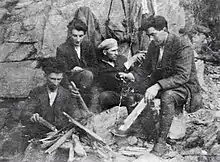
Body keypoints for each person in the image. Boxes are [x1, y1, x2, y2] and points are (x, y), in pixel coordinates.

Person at [119, 15, 201, 157]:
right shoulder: (154, 45)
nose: (151, 39)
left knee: (167, 96)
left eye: (153, 35)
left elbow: (182, 76)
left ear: (164, 30)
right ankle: (147, 131)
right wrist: (133, 76)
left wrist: (157, 86)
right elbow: (146, 69)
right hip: (165, 84)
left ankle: (161, 142)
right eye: (149, 35)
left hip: (184, 87)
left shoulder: (183, 45)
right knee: (135, 91)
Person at [20, 57, 89, 140]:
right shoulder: (37, 92)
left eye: (59, 79)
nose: (56, 83)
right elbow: (26, 112)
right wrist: (32, 116)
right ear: (45, 76)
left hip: (60, 136)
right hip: (38, 135)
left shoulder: (67, 95)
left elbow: (76, 115)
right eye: (52, 79)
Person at [96, 38, 144, 111]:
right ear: (105, 52)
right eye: (113, 51)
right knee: (104, 96)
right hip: (115, 95)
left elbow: (133, 71)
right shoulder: (100, 65)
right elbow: (113, 75)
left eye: (117, 50)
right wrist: (130, 61)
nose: (116, 53)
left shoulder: (121, 59)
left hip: (130, 91)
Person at [56, 18, 98, 94]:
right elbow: (61, 72)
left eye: (81, 36)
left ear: (85, 35)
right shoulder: (62, 49)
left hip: (88, 81)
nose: (78, 40)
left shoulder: (88, 46)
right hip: (70, 81)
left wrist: (81, 69)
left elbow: (95, 67)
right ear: (69, 34)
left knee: (88, 75)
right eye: (75, 36)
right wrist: (72, 72)